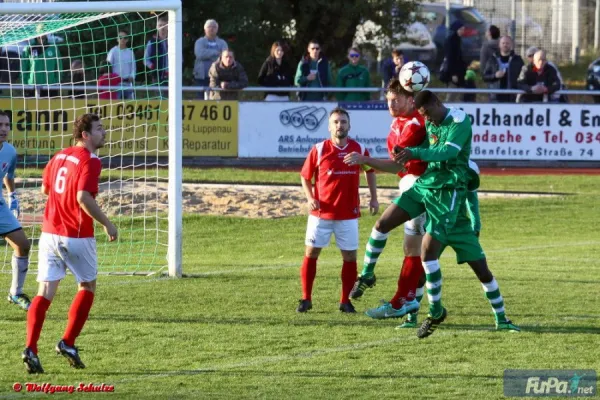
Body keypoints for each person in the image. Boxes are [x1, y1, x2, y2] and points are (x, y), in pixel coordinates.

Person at [345, 90, 519, 338]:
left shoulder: (460, 121)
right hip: (425, 185)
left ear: (438, 102)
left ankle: (457, 313)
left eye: (429, 114)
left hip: (447, 195)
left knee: (441, 258)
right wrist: (407, 152)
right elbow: (426, 148)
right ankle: (368, 276)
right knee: (383, 223)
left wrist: (415, 152)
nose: (429, 120)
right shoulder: (429, 120)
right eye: (424, 116)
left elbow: (447, 153)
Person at [22, 113, 118, 374]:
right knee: (87, 285)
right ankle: (68, 342)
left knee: (44, 293)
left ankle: (30, 348)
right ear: (85, 135)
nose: (104, 132)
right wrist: (106, 223)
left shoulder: (59, 156)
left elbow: (45, 190)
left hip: (49, 233)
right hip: (76, 234)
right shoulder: (91, 160)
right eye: (99, 129)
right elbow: (83, 197)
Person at [341, 79, 428, 323]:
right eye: (388, 100)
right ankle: (410, 313)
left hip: (421, 188)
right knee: (415, 253)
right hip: (411, 185)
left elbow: (395, 164)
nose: (390, 104)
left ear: (410, 99)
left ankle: (369, 275)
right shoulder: (397, 123)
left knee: (382, 226)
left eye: (395, 100)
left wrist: (364, 160)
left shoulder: (415, 126)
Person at [297, 107, 379, 314]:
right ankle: (306, 299)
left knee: (350, 257)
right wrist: (310, 199)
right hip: (321, 213)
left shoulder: (359, 148)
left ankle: (345, 301)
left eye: (343, 122)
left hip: (348, 214)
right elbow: (305, 177)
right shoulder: (319, 149)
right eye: (335, 122)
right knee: (311, 252)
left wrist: (374, 198)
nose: (339, 125)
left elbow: (370, 171)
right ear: (329, 126)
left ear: (349, 125)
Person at [0, 111, 32, 312]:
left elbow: (8, 175)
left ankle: (15, 292)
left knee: (23, 245)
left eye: (6, 125)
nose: (3, 129)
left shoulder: (10, 151)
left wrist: (12, 196)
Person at [482, 36, 525, 103]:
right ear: (499, 45)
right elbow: (485, 77)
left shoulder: (518, 60)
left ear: (511, 45)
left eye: (507, 43)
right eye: (503, 43)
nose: (505, 45)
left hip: (512, 97)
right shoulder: (492, 59)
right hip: (495, 97)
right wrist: (495, 76)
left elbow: (523, 76)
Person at [193, 19, 228, 98]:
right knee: (200, 99)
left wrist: (207, 53)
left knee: (216, 98)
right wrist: (216, 52)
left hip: (218, 76)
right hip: (201, 77)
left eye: (214, 27)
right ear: (205, 29)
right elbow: (200, 54)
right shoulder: (200, 42)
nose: (212, 28)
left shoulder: (222, 43)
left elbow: (225, 56)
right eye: (209, 27)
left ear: (217, 29)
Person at [107, 29, 136, 100]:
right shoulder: (113, 51)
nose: (122, 39)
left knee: (130, 106)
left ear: (127, 40)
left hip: (128, 83)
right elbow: (108, 67)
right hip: (116, 84)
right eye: (120, 37)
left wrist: (132, 76)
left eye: (125, 38)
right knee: (117, 106)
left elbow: (133, 67)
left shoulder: (130, 52)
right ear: (117, 39)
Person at [442, 21, 467, 102]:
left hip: (460, 72)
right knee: (451, 95)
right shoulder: (451, 41)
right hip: (454, 73)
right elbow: (450, 58)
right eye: (461, 29)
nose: (463, 31)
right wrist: (453, 74)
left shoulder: (458, 40)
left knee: (460, 95)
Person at [144, 15, 168, 85]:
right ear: (157, 27)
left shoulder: (173, 41)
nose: (162, 28)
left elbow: (180, 59)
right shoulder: (152, 42)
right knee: (159, 95)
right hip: (157, 76)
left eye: (165, 25)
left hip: (172, 75)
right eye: (160, 25)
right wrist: (153, 67)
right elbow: (145, 59)